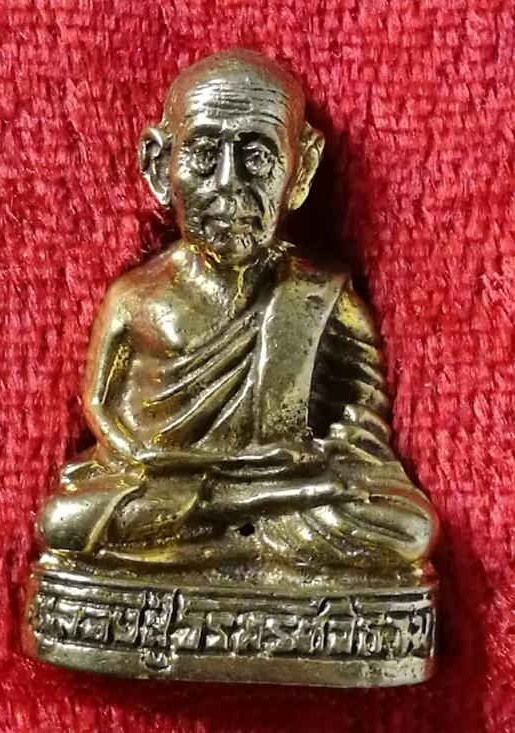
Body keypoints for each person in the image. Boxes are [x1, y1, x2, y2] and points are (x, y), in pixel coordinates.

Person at [39, 49, 438, 574]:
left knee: (410, 529)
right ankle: (237, 534)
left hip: (284, 483)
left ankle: (211, 545)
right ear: (159, 165)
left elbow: (362, 420)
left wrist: (333, 457)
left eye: (257, 157)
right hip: (169, 482)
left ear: (301, 167)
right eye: (205, 154)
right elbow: (99, 405)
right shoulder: (136, 296)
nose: (229, 182)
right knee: (64, 521)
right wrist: (143, 458)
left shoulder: (318, 293)